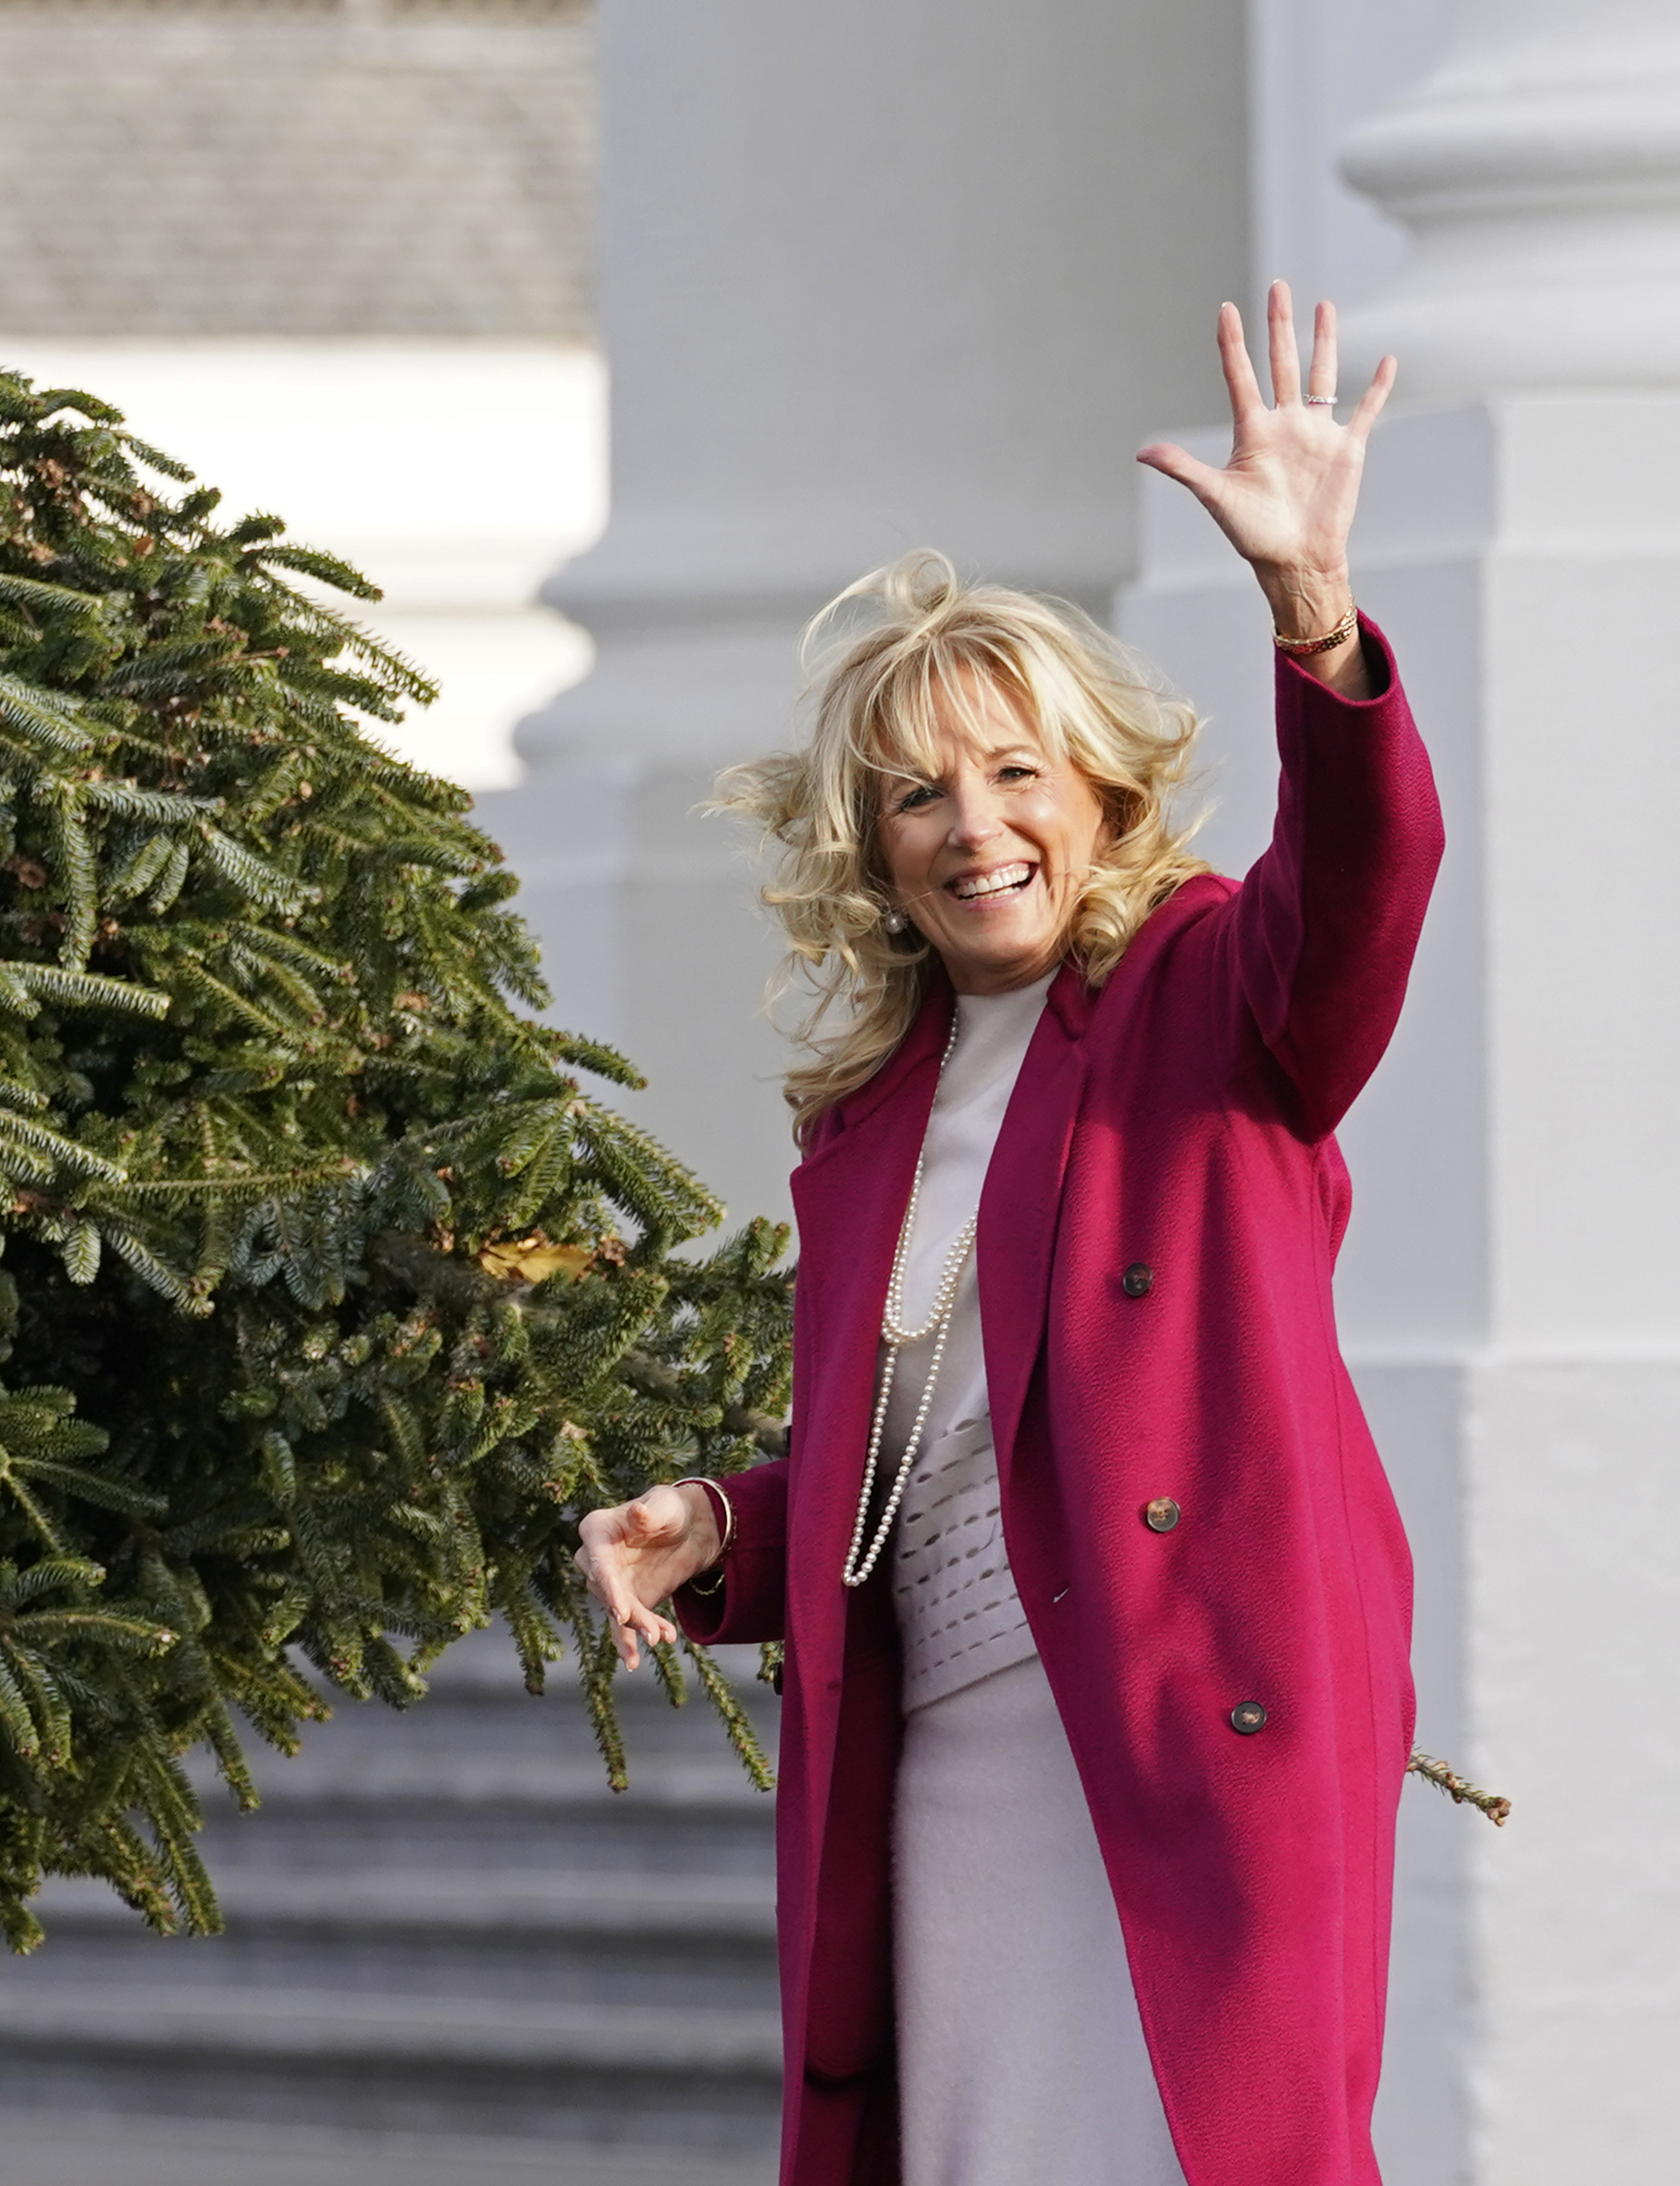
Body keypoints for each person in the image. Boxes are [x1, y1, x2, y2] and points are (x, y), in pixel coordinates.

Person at [571, 284, 1436, 2186]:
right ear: (871, 848)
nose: (975, 826)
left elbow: (1362, 896)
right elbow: (934, 1465)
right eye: (917, 794)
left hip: (1181, 1732)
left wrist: (1316, 615)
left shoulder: (1213, 997)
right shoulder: (867, 1120)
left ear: (1101, 791)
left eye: (1017, 771)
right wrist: (720, 1523)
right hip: (946, 1750)